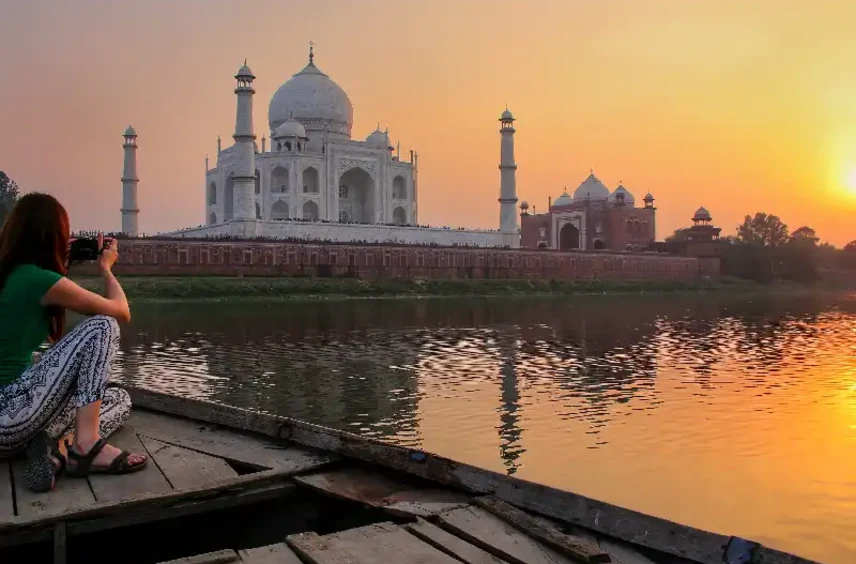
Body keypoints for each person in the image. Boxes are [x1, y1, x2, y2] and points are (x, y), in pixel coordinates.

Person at [0, 193, 147, 493]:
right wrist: (105, 268)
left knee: (118, 399)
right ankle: (84, 446)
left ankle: (53, 449)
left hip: (13, 422)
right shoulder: (36, 280)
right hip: (9, 413)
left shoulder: (12, 275)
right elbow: (121, 310)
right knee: (102, 326)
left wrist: (64, 263)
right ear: (52, 236)